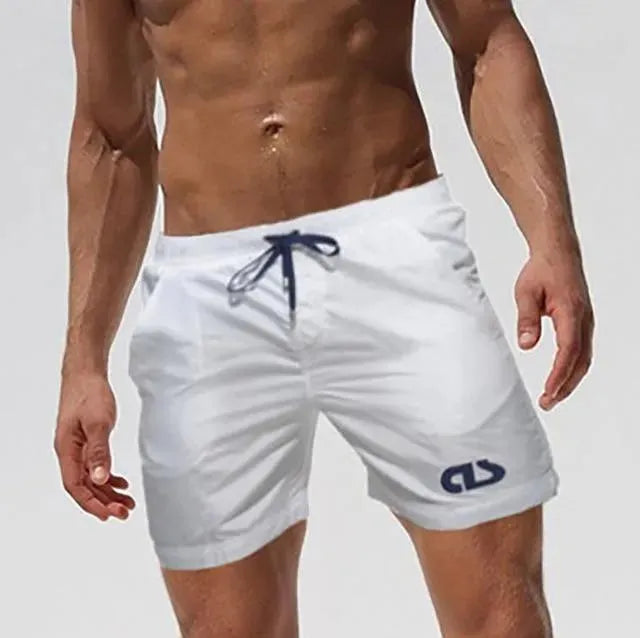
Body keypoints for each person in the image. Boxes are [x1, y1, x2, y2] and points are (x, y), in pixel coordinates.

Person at [54, 1, 594, 636]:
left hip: (395, 254)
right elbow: (112, 134)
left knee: (502, 616)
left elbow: (486, 41)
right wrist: (84, 359)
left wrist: (551, 238)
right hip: (211, 288)